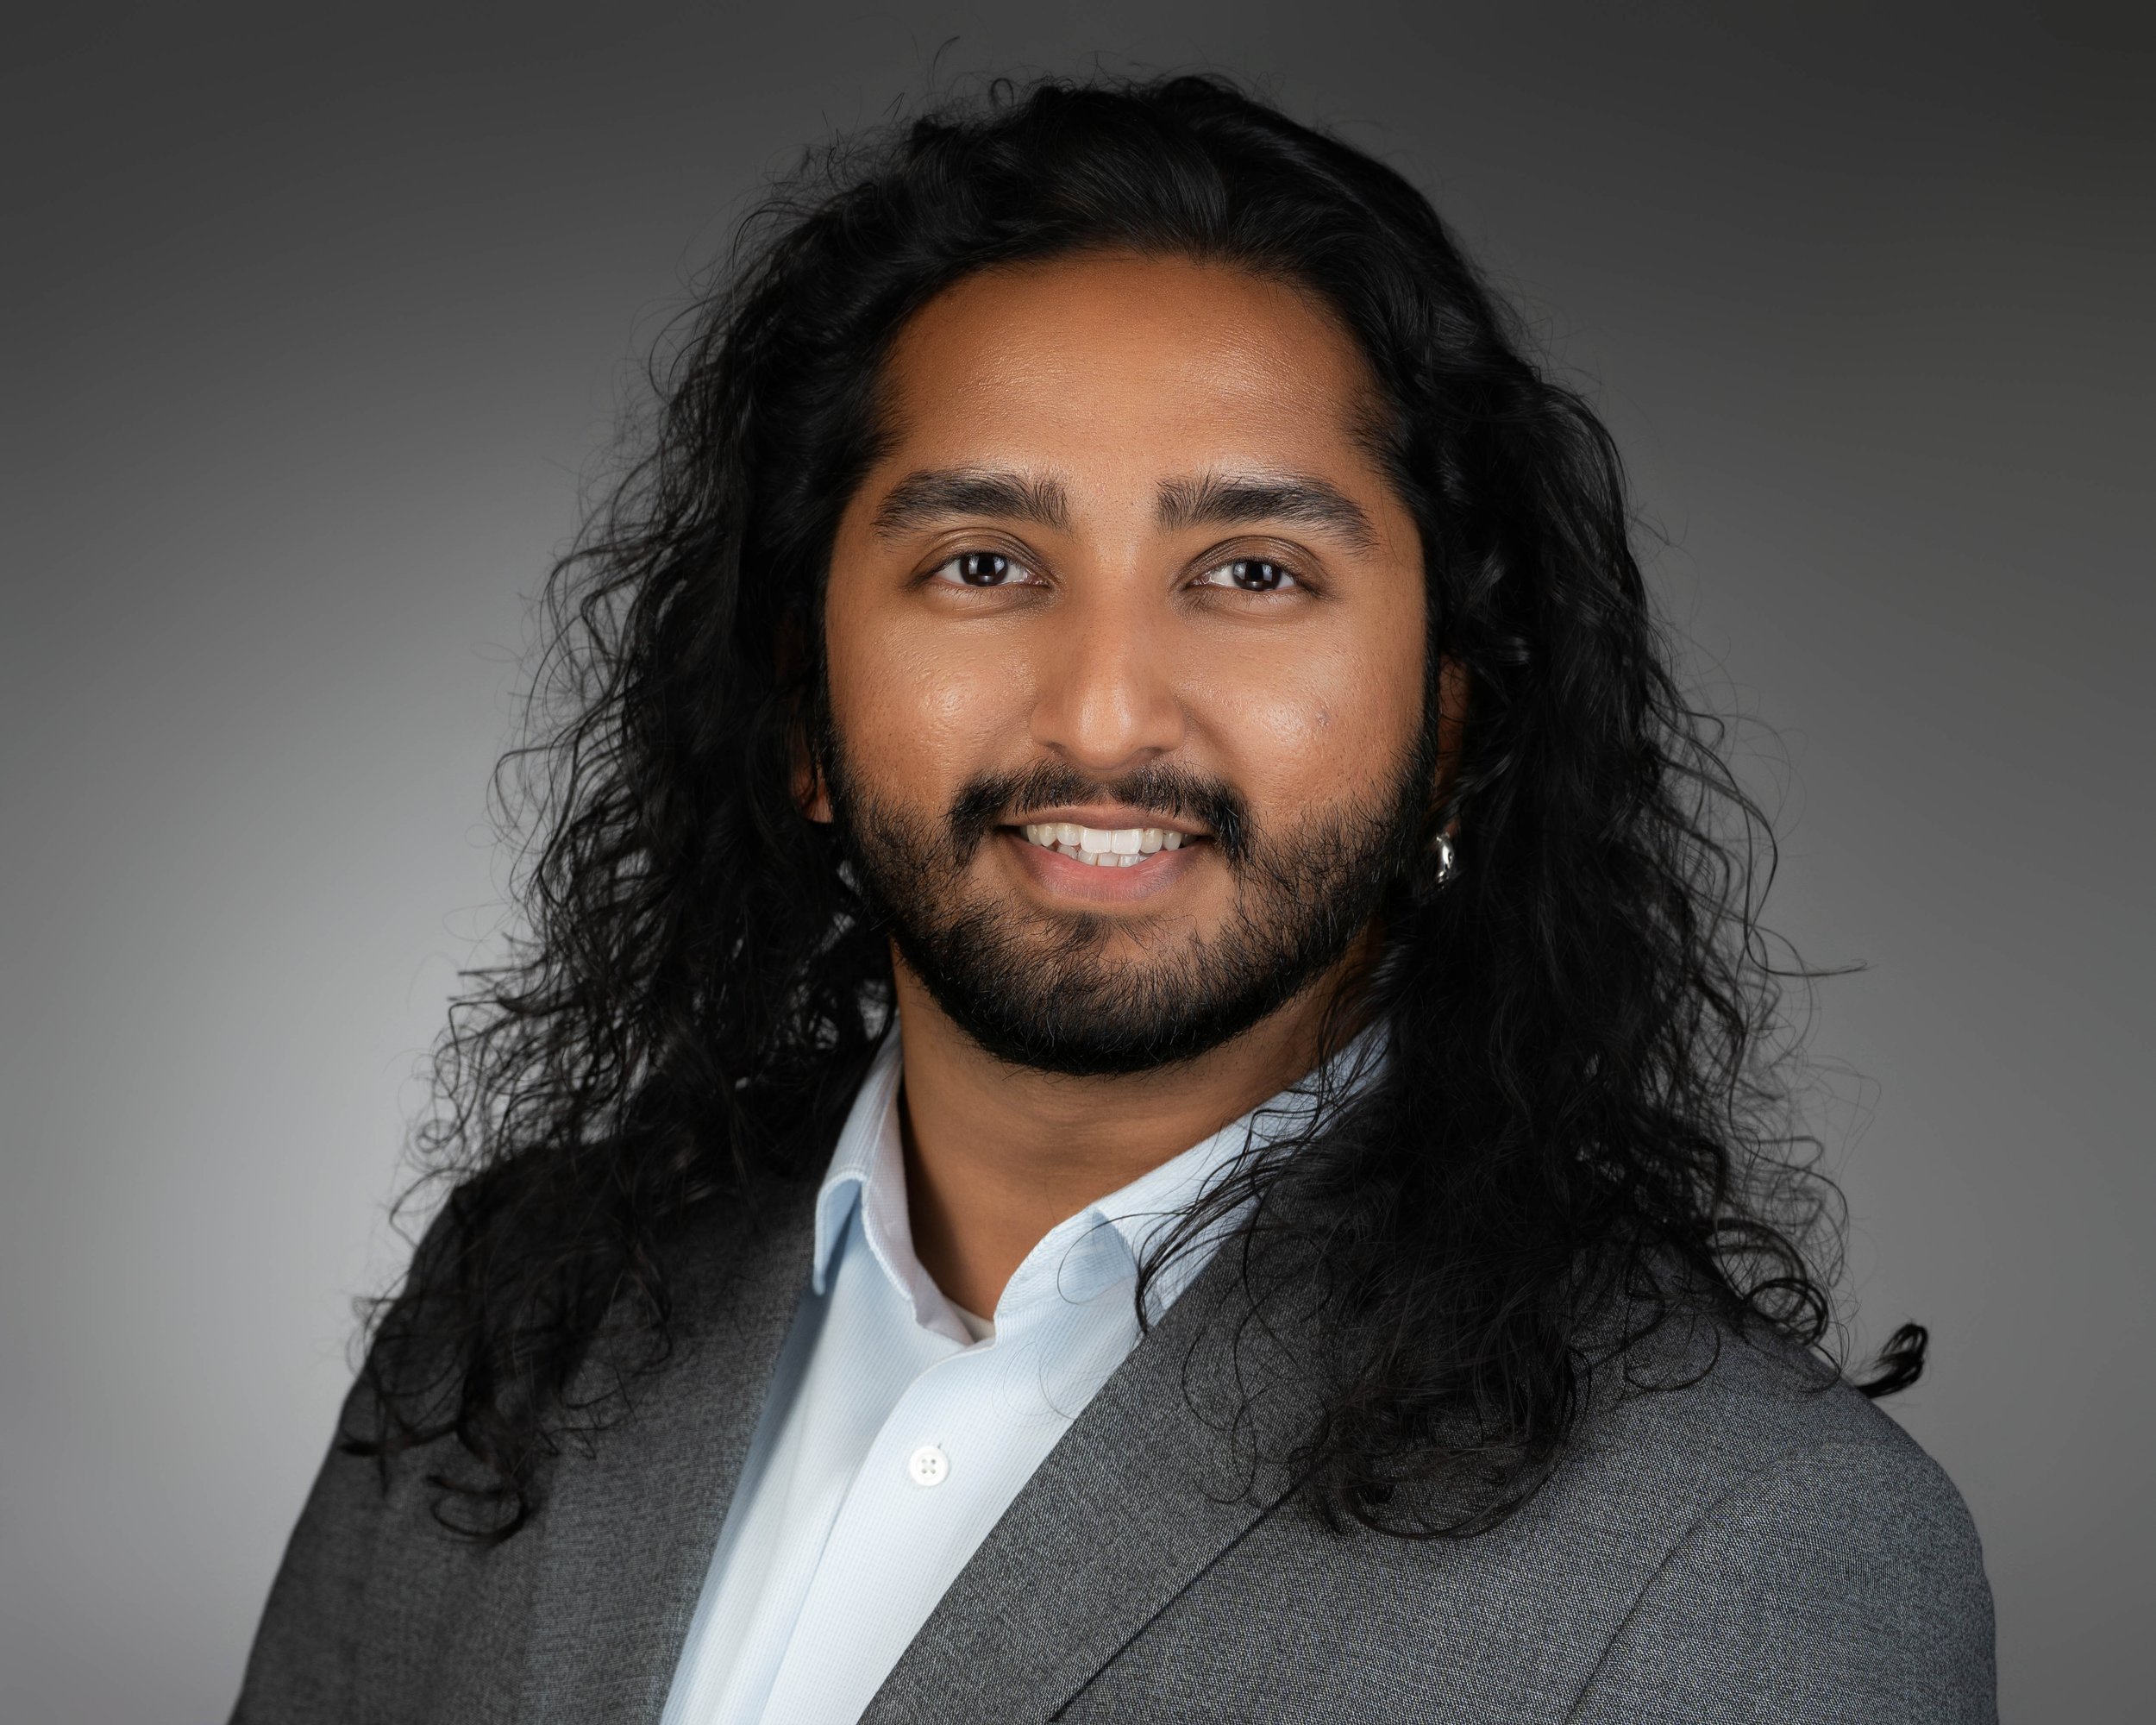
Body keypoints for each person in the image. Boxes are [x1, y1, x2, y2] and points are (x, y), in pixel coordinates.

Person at [232, 72, 1996, 1723]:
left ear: (1454, 715)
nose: (1100, 713)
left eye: (1249, 569)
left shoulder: (1753, 1550)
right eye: (982, 563)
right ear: (800, 711)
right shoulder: (520, 1308)